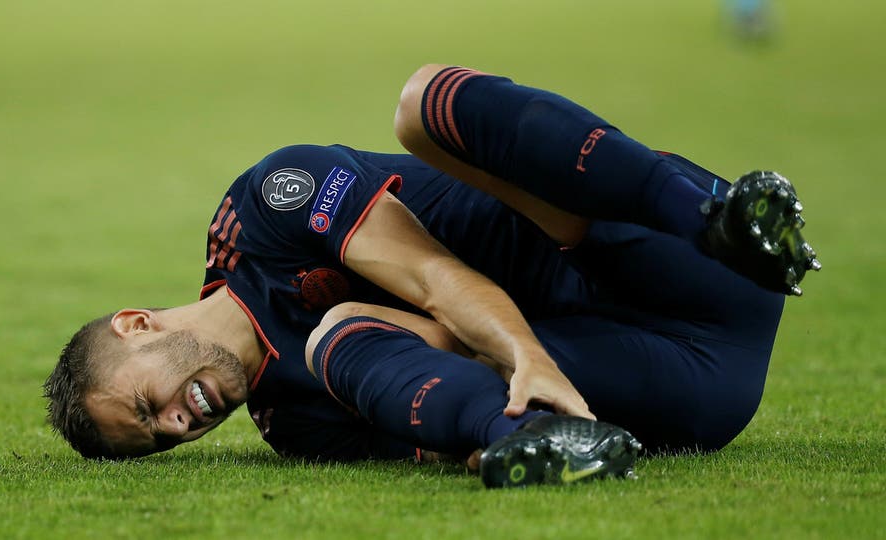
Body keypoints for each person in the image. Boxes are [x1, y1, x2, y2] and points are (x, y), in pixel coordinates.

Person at [44, 64, 819, 486]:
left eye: (146, 406)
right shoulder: (295, 426)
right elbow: (440, 441)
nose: (176, 426)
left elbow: (439, 279)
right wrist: (490, 424)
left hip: (688, 262)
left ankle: (718, 217)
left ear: (135, 324)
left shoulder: (267, 205)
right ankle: (542, 436)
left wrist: (522, 355)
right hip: (681, 384)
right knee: (344, 336)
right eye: (160, 442)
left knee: (424, 106)